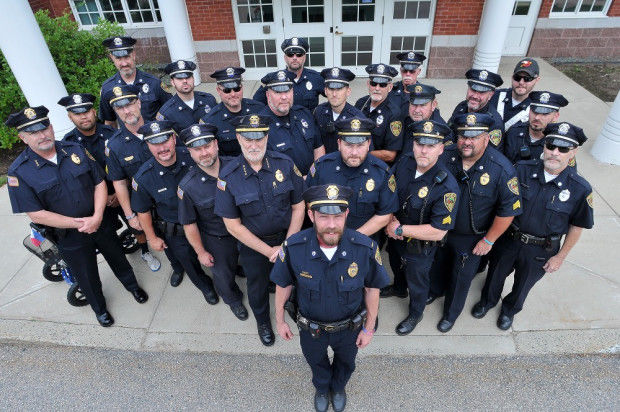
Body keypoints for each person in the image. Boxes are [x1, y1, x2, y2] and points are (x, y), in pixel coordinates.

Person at [6, 106, 147, 327]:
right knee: (86, 275)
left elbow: (99, 182)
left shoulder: (74, 149)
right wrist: (79, 223)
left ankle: (133, 287)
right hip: (70, 236)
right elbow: (36, 213)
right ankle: (99, 308)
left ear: (51, 128)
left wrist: (98, 216)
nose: (42, 135)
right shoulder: (19, 172)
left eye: (44, 128)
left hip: (100, 222)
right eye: (33, 132)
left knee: (118, 258)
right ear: (23, 138)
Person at [271, 184, 390, 412]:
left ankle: (338, 387)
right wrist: (280, 320)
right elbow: (283, 285)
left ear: (346, 214)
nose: (332, 225)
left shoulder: (364, 248)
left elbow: (372, 289)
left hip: (349, 328)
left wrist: (369, 328)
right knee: (316, 363)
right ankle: (323, 388)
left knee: (346, 364)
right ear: (310, 215)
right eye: (324, 217)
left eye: (337, 216)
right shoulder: (294, 248)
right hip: (311, 329)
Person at [472, 122, 593, 330]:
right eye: (551, 146)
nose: (555, 153)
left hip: (541, 249)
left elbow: (577, 226)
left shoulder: (580, 188)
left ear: (573, 152)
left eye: (563, 149)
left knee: (523, 285)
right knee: (495, 275)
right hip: (509, 239)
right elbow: (500, 204)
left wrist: (560, 257)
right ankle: (487, 302)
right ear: (544, 146)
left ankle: (509, 311)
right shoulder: (520, 170)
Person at [215, 114, 305, 346]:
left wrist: (288, 243)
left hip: (289, 239)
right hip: (254, 246)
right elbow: (232, 225)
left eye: (259, 138)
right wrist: (269, 252)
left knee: (294, 279)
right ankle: (263, 321)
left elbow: (298, 206)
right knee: (257, 286)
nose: (254, 145)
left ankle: (294, 312)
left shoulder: (285, 164)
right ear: (238, 138)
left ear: (267, 136)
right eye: (248, 139)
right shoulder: (228, 176)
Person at [430, 113, 521, 332]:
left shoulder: (501, 169)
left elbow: (508, 211)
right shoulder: (446, 155)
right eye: (463, 136)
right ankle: (434, 291)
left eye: (474, 137)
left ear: (487, 138)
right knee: (437, 266)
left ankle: (450, 315)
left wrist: (489, 241)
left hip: (471, 238)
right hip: (440, 230)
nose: (467, 141)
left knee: (460, 279)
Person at [130, 120, 220, 305]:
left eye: (165, 140)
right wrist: (152, 238)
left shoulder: (192, 157)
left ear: (174, 138)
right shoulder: (144, 177)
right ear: (147, 145)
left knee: (218, 252)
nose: (162, 148)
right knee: (189, 263)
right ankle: (205, 286)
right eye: (155, 143)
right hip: (176, 231)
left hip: (207, 222)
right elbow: (143, 211)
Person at [383, 121, 460, 335]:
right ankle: (398, 289)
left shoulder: (446, 186)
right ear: (413, 144)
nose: (424, 150)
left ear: (441, 149)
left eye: (431, 145)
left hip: (419, 246)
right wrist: (389, 221)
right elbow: (389, 191)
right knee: (395, 264)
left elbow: (438, 231)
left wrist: (399, 230)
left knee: (417, 282)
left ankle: (416, 313)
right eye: (419, 143)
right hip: (394, 233)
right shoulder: (405, 162)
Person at [177, 123, 248, 320]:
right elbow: (189, 223)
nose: (204, 153)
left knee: (253, 264)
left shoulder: (237, 165)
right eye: (197, 149)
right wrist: (201, 252)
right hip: (218, 239)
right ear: (190, 152)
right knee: (223, 276)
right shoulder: (188, 187)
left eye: (207, 146)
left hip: (246, 231)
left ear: (216, 144)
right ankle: (233, 300)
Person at [103, 84, 164, 274]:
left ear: (138, 102)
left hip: (168, 196)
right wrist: (129, 215)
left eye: (129, 104)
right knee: (142, 233)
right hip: (142, 201)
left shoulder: (160, 129)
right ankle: (146, 252)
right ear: (115, 111)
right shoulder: (114, 145)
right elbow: (119, 182)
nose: (126, 110)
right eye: (120, 108)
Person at [306, 117, 399, 241]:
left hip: (364, 242)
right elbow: (309, 203)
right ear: (339, 143)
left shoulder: (381, 172)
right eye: (348, 145)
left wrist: (352, 238)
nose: (354, 152)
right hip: (325, 240)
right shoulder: (321, 167)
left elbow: (385, 214)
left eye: (360, 145)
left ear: (369, 144)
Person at [259, 70, 325, 177]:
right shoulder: (261, 125)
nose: (284, 97)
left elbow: (318, 148)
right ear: (268, 95)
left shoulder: (304, 114)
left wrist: (312, 175)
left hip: (311, 181)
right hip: (284, 187)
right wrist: (298, 181)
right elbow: (263, 167)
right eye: (278, 92)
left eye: (287, 91)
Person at [99, 36, 171, 126]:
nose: (124, 63)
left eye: (126, 57)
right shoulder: (107, 88)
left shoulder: (154, 83)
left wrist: (160, 123)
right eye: (118, 59)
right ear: (112, 58)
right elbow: (109, 122)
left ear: (133, 55)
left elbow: (171, 111)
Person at [202, 66, 265, 157]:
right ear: (218, 91)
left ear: (242, 87)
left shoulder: (259, 109)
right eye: (227, 90)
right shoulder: (211, 121)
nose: (233, 94)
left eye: (236, 89)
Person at [253, 37, 324, 111]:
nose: (294, 58)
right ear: (285, 58)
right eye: (290, 54)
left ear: (304, 57)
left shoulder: (316, 78)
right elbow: (256, 103)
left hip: (308, 121)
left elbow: (333, 95)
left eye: (299, 55)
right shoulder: (274, 80)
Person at [354, 64, 403, 165]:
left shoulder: (394, 113)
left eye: (382, 85)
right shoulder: (361, 103)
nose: (377, 88)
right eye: (373, 83)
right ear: (368, 84)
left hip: (376, 165)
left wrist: (361, 154)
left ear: (390, 87)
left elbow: (390, 155)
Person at [503, 91, 569, 164]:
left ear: (556, 116)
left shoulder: (560, 143)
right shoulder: (514, 131)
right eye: (534, 112)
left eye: (544, 114)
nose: (537, 117)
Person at [449, 69, 505, 151]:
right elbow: (449, 131)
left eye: (481, 92)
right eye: (473, 90)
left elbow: (490, 154)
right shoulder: (461, 106)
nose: (475, 96)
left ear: (490, 95)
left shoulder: (494, 122)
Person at [155, 60, 217, 134]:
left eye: (188, 77)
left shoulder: (209, 100)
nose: (185, 81)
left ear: (193, 79)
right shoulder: (167, 113)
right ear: (172, 82)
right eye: (179, 78)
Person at [313, 67, 364, 154]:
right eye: (331, 89)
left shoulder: (357, 118)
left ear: (348, 91)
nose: (334, 94)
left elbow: (363, 151)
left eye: (339, 89)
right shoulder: (319, 112)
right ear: (325, 91)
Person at [400, 82, 452, 155]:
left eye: (422, 105)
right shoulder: (406, 120)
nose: (417, 110)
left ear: (433, 105)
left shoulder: (442, 132)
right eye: (414, 105)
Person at [490, 58, 540, 131]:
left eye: (527, 79)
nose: (521, 82)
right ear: (512, 77)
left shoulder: (536, 109)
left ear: (537, 80)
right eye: (517, 77)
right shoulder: (494, 95)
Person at [389, 51, 426, 119]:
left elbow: (435, 118)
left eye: (412, 71)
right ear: (400, 70)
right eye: (405, 71)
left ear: (419, 71)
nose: (408, 74)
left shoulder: (426, 93)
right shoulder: (390, 90)